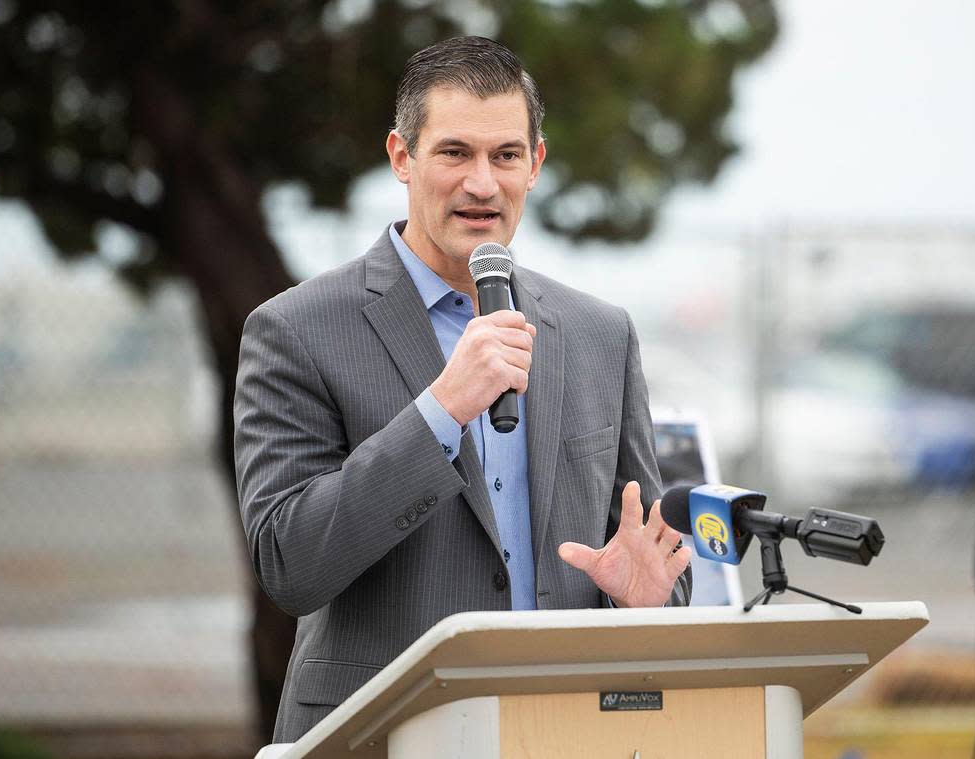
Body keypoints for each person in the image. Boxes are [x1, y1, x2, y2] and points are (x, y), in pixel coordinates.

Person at [234, 35, 692, 744]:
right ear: (401, 158)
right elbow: (289, 563)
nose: (483, 183)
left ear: (535, 165)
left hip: (566, 731)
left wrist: (640, 600)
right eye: (454, 153)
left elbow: (650, 550)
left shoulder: (602, 334)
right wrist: (441, 410)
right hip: (383, 734)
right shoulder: (295, 329)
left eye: (506, 155)